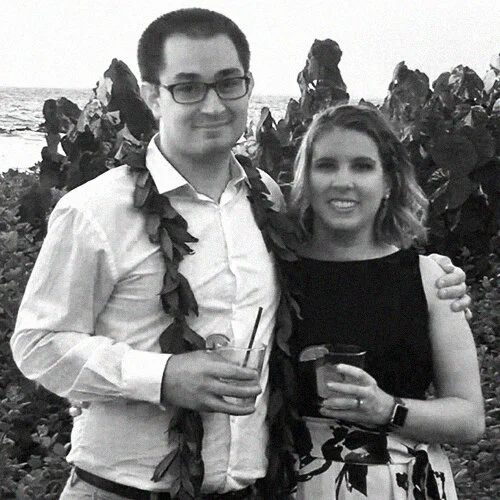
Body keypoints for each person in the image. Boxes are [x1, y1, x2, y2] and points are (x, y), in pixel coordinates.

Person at [10, 8, 469, 500]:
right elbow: (37, 344)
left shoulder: (266, 197)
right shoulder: (95, 210)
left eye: (229, 83)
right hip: (122, 489)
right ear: (152, 96)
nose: (213, 105)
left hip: (251, 488)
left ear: (249, 86)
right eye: (188, 87)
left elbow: (345, 255)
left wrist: (431, 274)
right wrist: (162, 376)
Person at [280, 104, 484, 499]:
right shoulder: (275, 272)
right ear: (305, 178)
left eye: (362, 166)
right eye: (326, 166)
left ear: (388, 181)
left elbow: (470, 417)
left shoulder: (430, 279)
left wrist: (388, 409)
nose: (343, 182)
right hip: (294, 486)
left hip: (401, 485)